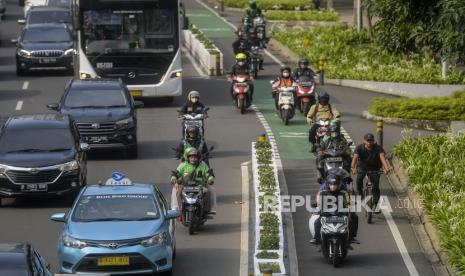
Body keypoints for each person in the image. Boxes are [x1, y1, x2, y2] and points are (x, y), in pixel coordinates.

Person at [310, 173, 358, 244]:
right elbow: (318, 203)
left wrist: (350, 208)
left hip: (341, 215)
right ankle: (316, 238)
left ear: (339, 184)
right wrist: (318, 209)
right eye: (331, 184)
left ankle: (351, 237)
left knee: (353, 219)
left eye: (335, 184)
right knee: (317, 222)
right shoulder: (321, 193)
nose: (333, 186)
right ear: (328, 184)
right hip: (326, 215)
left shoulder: (344, 193)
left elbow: (348, 202)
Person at [351, 133, 391, 212]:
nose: (369, 142)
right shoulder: (359, 148)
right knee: (359, 179)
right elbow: (355, 158)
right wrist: (353, 168)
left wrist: (386, 168)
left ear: (373, 141)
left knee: (375, 187)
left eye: (371, 140)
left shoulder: (378, 148)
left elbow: (382, 158)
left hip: (375, 168)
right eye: (368, 140)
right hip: (362, 167)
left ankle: (376, 205)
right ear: (364, 141)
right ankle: (360, 193)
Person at [170, 148, 217, 214]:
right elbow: (175, 173)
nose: (193, 159)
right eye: (191, 157)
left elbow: (209, 174)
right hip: (185, 185)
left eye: (195, 157)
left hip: (200, 185)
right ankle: (175, 209)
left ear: (198, 158)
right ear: (188, 158)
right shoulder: (183, 165)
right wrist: (174, 179)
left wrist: (210, 179)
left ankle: (209, 209)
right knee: (175, 189)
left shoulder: (203, 165)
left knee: (210, 190)